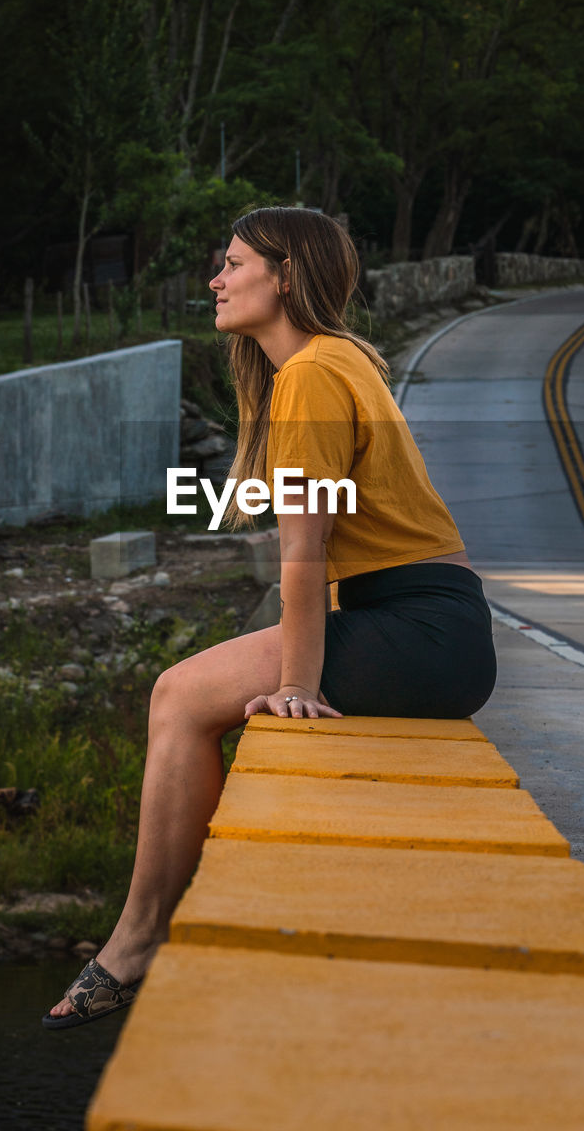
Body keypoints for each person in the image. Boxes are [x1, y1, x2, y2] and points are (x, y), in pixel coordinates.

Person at [43, 206, 496, 1029]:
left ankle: (136, 940)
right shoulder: (340, 360)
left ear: (284, 275)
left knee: (178, 697)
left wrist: (296, 682)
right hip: (436, 626)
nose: (216, 281)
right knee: (186, 693)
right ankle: (146, 934)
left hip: (420, 629)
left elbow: (304, 551)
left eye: (233, 263)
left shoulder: (313, 374)